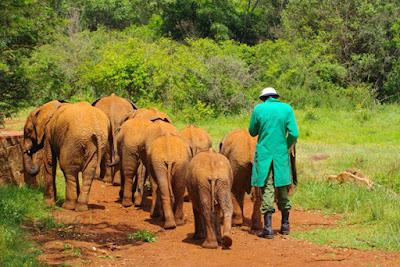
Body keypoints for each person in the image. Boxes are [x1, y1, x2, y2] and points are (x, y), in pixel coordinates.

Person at [248, 87, 299, 239]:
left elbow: (252, 132)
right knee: (283, 186)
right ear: (275, 96)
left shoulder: (259, 109)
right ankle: (285, 225)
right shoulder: (287, 108)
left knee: (268, 187)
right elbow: (294, 133)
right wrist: (285, 144)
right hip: (281, 154)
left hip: (264, 154)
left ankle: (268, 228)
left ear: (263, 98)